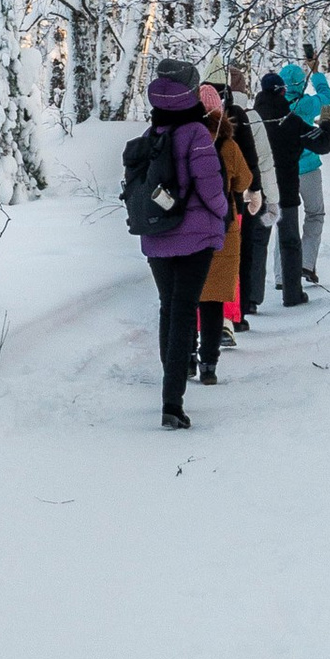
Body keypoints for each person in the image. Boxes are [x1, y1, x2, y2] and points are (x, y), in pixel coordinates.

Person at [134, 60, 229, 428]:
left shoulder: (152, 132)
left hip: (157, 233)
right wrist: (222, 214)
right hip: (195, 238)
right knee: (185, 309)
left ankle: (169, 389)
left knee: (167, 309)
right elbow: (211, 188)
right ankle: (172, 402)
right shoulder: (197, 134)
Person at [193, 83, 258, 382]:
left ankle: (187, 355)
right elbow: (243, 180)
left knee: (188, 296)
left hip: (188, 227)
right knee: (214, 299)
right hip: (222, 225)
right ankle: (209, 365)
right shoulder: (228, 145)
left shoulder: (186, 140)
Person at [226, 61, 279, 321]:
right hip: (249, 194)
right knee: (247, 250)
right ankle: (245, 305)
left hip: (220, 195)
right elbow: (265, 162)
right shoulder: (252, 116)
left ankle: (223, 309)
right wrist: (273, 200)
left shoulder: (207, 112)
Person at [280, 47, 330, 281]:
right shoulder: (308, 104)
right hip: (309, 168)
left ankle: (281, 274)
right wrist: (316, 72)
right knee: (315, 214)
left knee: (284, 220)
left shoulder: (275, 107)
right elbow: (326, 96)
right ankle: (306, 262)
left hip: (284, 170)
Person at [254, 70, 309, 303]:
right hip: (286, 192)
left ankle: (251, 299)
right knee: (289, 242)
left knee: (257, 245)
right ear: (282, 91)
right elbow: (322, 143)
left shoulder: (253, 120)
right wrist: (327, 121)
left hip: (260, 194)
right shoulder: (291, 121)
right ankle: (292, 294)